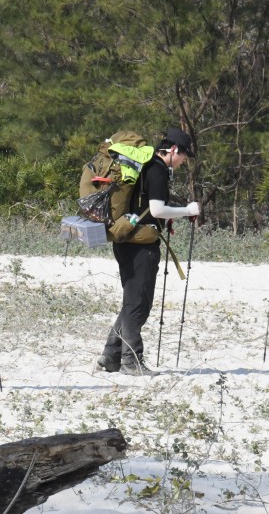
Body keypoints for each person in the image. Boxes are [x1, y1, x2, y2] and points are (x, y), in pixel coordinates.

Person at [97, 127, 201, 376]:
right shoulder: (156, 169)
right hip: (140, 246)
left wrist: (171, 214)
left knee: (133, 301)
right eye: (184, 156)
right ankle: (132, 363)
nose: (184, 161)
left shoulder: (145, 166)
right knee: (139, 304)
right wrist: (188, 210)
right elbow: (156, 209)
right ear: (174, 150)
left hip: (125, 240)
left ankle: (111, 356)